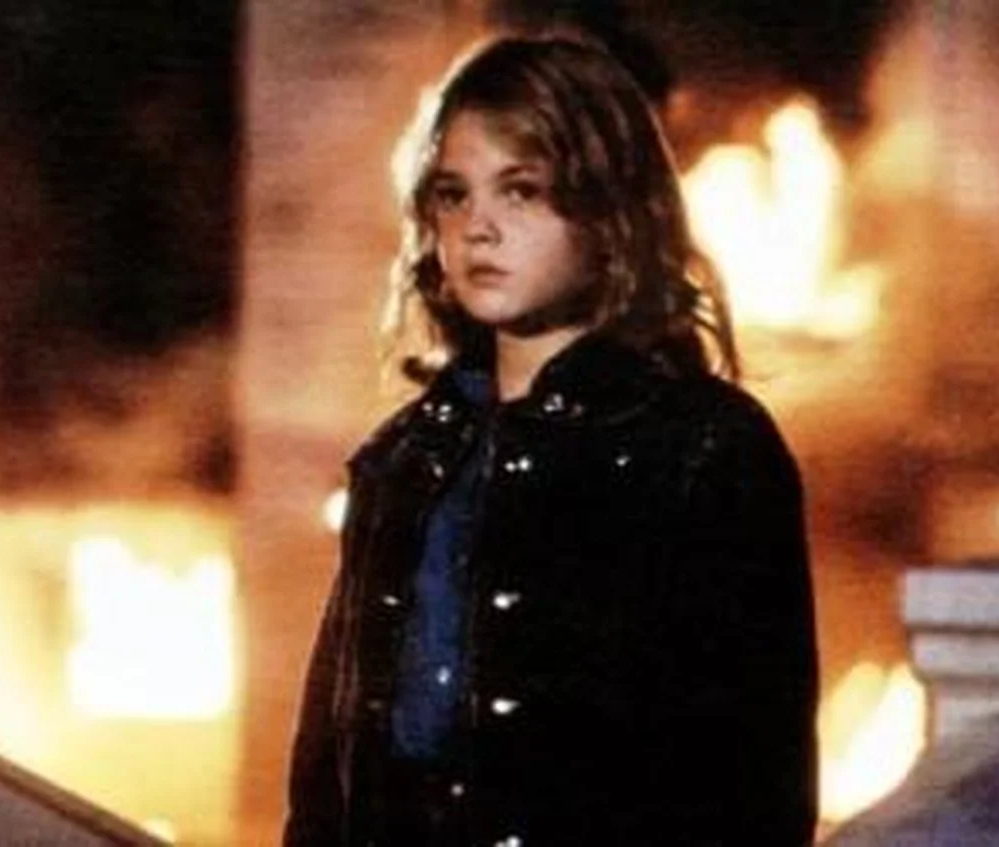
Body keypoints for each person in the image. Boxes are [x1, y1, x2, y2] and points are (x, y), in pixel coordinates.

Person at [286, 33, 818, 846]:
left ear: (607, 212)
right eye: (454, 195)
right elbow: (328, 765)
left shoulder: (704, 450)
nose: (479, 228)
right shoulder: (406, 458)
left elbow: (757, 784)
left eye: (522, 190)